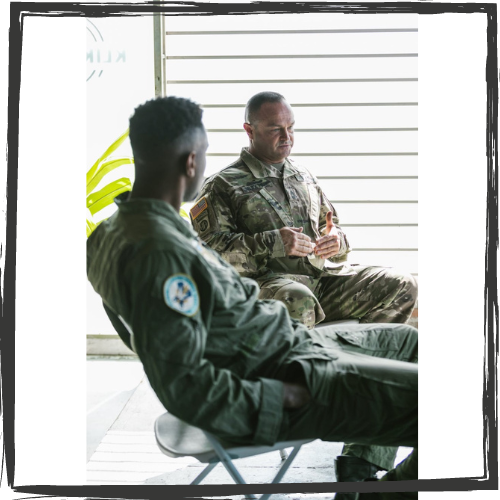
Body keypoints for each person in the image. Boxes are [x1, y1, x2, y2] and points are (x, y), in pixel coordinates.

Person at [87, 96, 418, 499]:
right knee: (454, 402)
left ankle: (368, 469)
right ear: (191, 161)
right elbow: (186, 385)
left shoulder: (116, 233)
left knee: (411, 343)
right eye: (204, 153)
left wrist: (335, 243)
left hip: (294, 345)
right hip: (289, 374)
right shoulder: (161, 255)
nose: (286, 137)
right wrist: (288, 393)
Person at [191, 91, 418, 486]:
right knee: (298, 298)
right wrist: (272, 243)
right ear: (249, 130)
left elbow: (333, 227)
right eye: (276, 129)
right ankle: (315, 404)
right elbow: (212, 256)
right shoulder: (222, 185)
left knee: (400, 284)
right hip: (264, 287)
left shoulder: (303, 176)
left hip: (319, 277)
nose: (287, 136)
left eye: (291, 127)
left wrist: (337, 241)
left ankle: (362, 454)